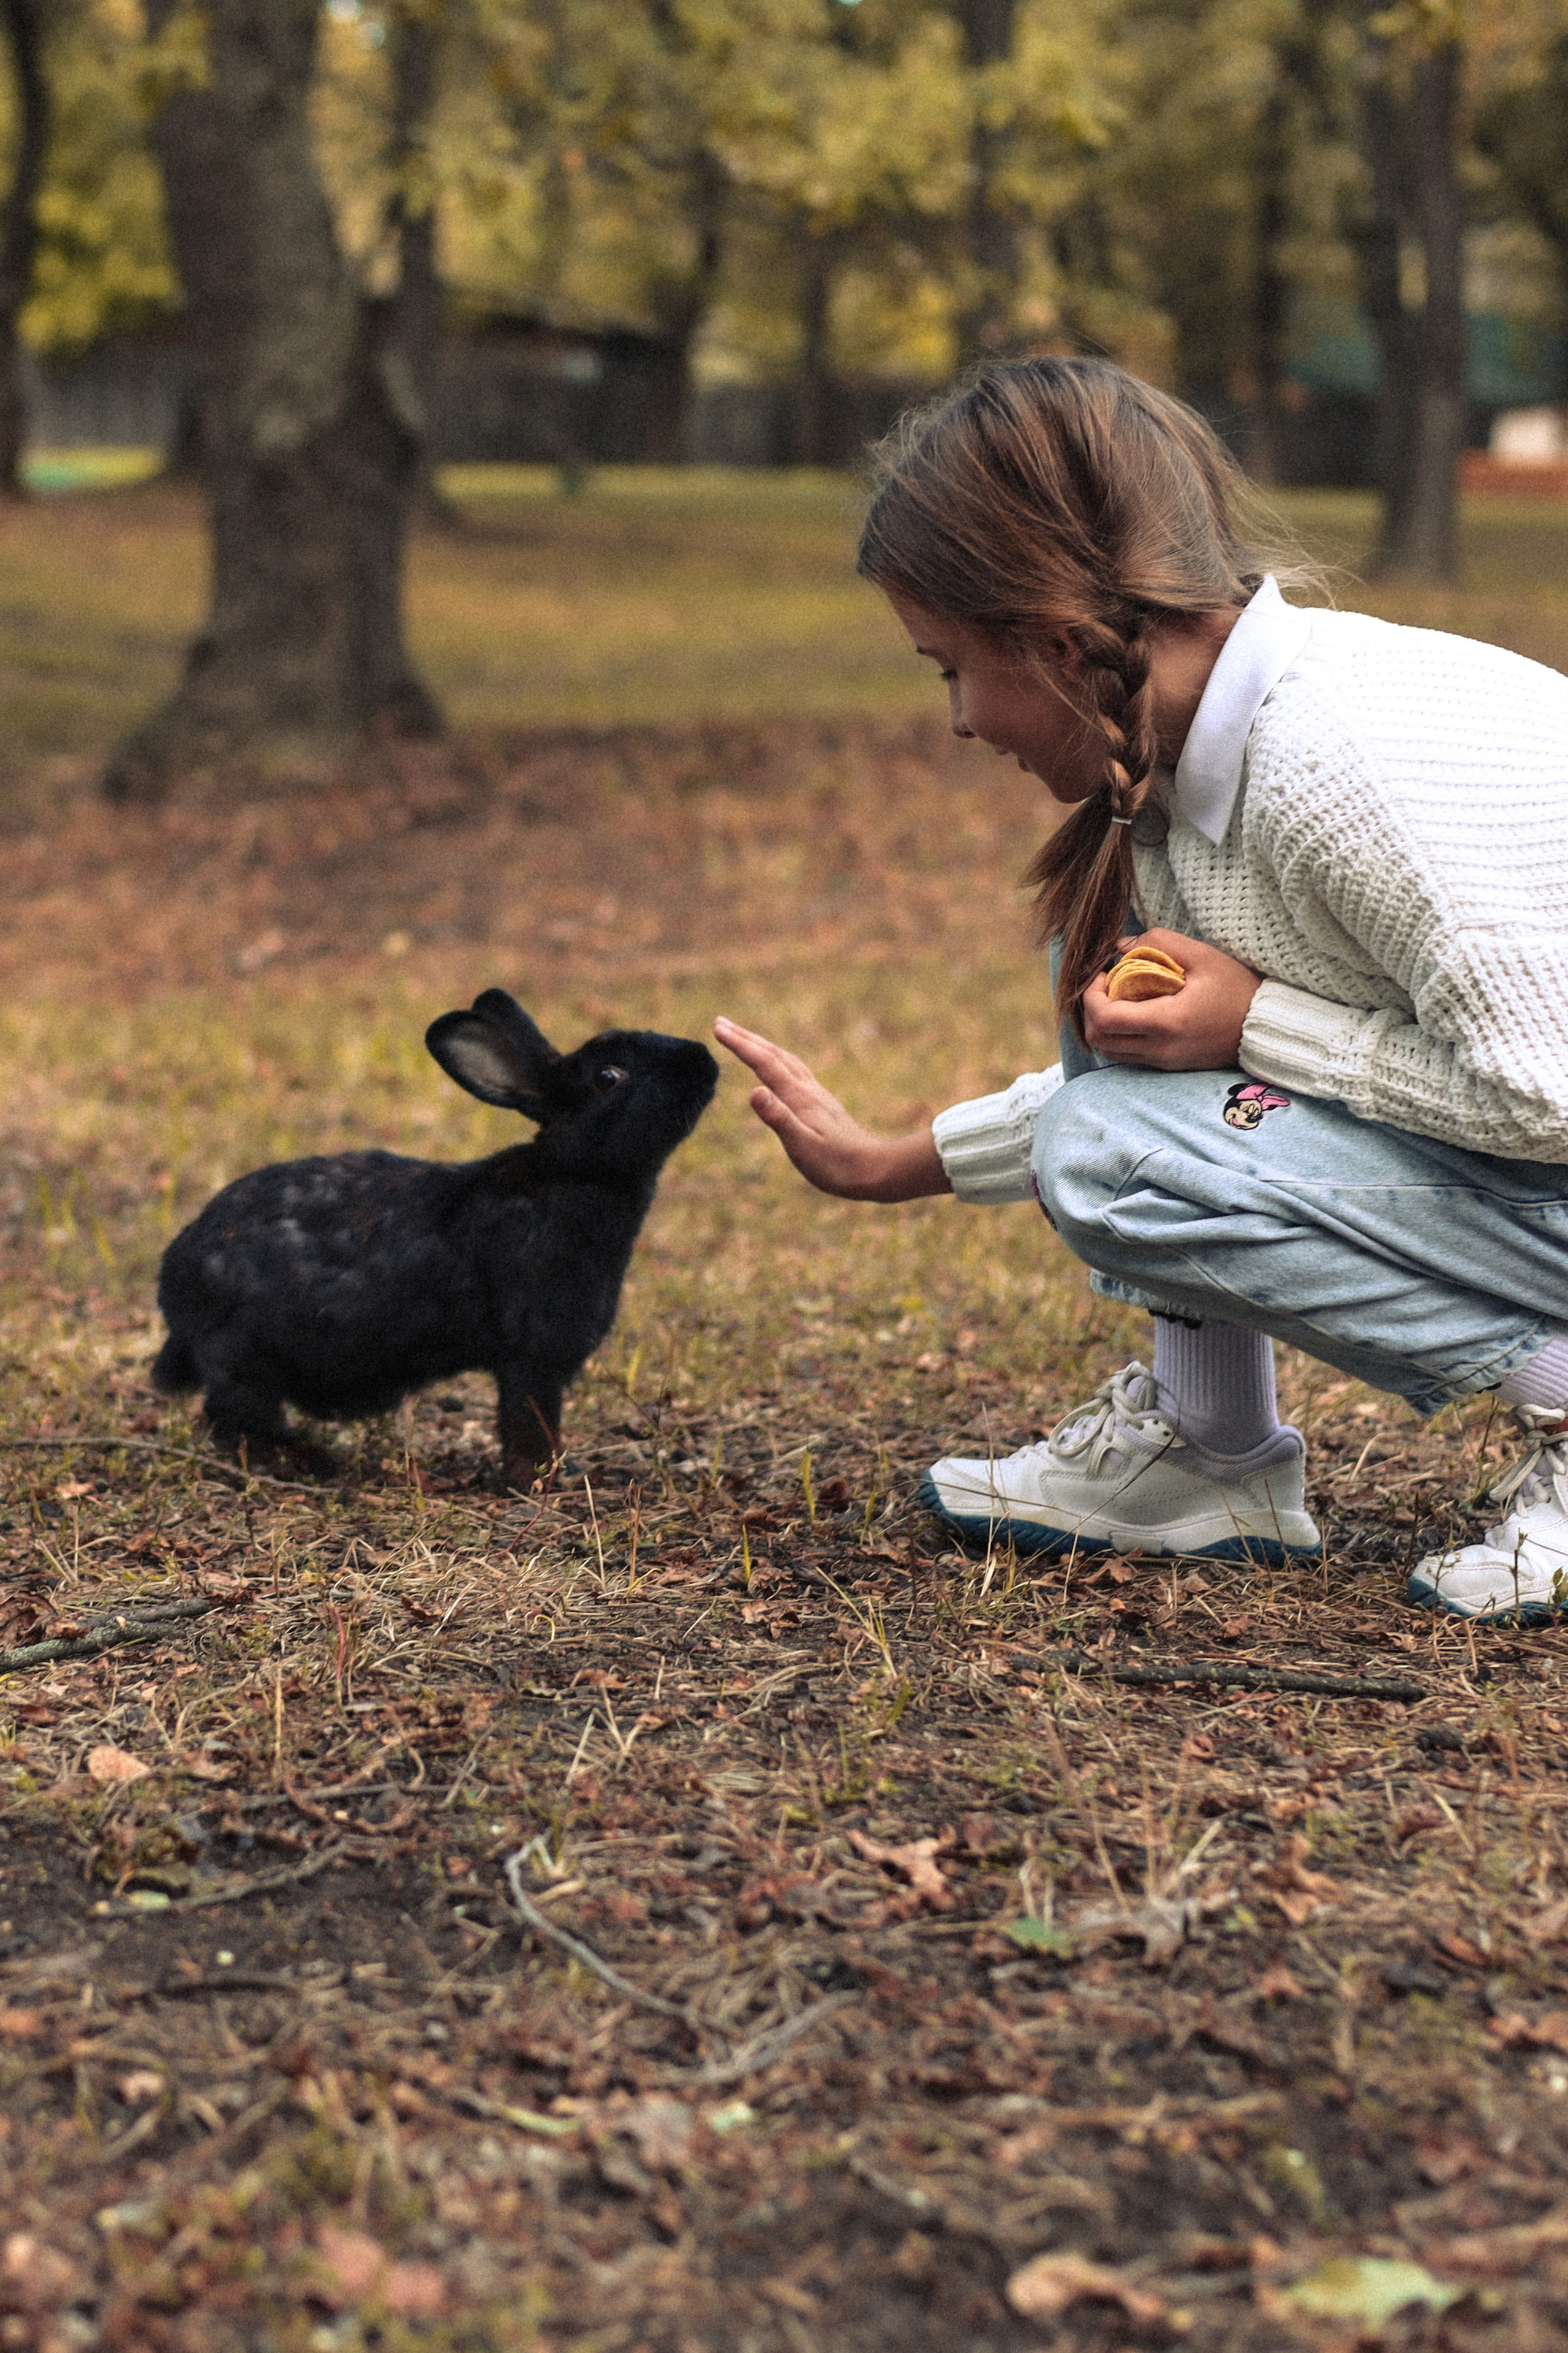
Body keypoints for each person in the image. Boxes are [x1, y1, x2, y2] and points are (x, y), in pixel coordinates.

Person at [714, 357, 1568, 1626]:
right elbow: (1157, 1084)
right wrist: (893, 1162)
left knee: (1115, 1139)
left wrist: (1256, 1024)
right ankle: (1205, 1445)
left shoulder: (1331, 768)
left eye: (948, 666)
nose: (954, 719)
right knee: (1107, 979)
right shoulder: (1186, 771)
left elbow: (1542, 1094)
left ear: (1056, 645)